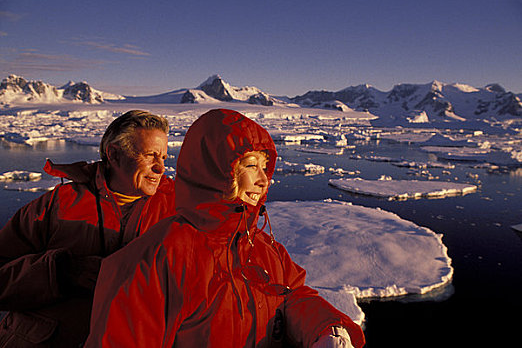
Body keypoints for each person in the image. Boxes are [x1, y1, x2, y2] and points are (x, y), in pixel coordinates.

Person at [85, 109, 365, 347]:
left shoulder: (263, 247)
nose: (263, 180)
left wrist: (328, 329)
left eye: (264, 167)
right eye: (250, 165)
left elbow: (292, 297)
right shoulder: (154, 260)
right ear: (216, 169)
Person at [0, 110, 176, 347]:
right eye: (150, 155)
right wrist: (58, 273)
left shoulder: (176, 210)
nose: (161, 168)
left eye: (164, 157)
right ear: (114, 154)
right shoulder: (57, 205)